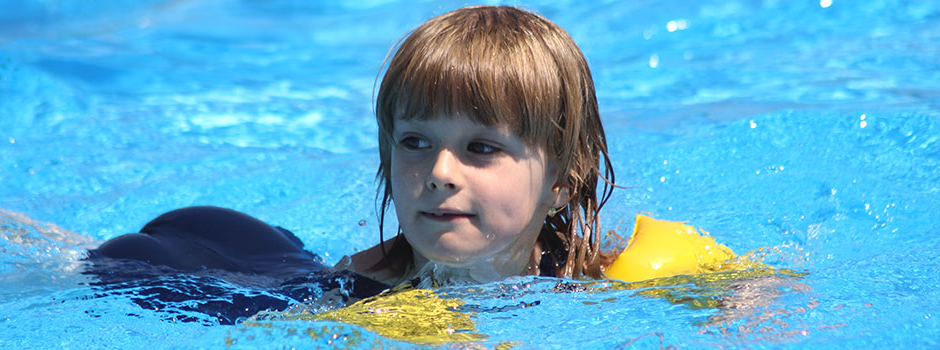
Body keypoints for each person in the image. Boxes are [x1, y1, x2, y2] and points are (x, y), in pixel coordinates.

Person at [91, 5, 616, 299]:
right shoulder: (361, 294)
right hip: (245, 272)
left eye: (481, 147)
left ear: (561, 182)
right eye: (415, 142)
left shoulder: (604, 278)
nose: (438, 172)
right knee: (112, 261)